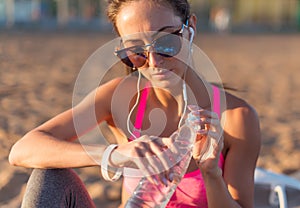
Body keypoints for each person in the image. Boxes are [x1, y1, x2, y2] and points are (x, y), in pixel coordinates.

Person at [9, 0, 261, 207]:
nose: (154, 62)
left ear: (190, 28)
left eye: (166, 43)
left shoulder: (236, 118)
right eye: (136, 50)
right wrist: (114, 155)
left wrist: (211, 174)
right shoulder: (122, 99)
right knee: (48, 177)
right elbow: (22, 150)